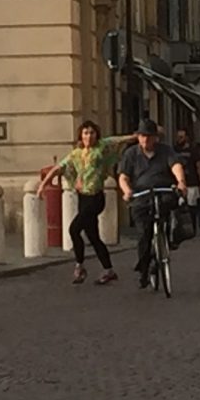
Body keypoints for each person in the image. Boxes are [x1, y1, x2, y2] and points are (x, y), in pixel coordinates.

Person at [37, 121, 136, 285]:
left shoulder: (101, 147)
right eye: (85, 133)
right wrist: (42, 185)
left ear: (96, 135)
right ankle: (108, 270)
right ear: (80, 136)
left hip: (96, 198)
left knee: (74, 229)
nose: (89, 136)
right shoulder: (76, 154)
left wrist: (138, 136)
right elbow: (58, 168)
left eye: (91, 133)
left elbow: (118, 140)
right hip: (82, 198)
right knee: (93, 236)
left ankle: (80, 266)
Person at [118, 119, 186, 288]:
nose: (145, 140)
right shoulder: (131, 154)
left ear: (156, 137)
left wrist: (181, 182)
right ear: (138, 137)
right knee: (144, 234)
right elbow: (123, 177)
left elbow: (176, 165)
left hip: (163, 192)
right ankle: (144, 268)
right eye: (142, 136)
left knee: (171, 215)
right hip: (142, 196)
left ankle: (168, 241)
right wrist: (127, 191)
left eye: (149, 136)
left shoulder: (165, 151)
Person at [174, 129, 200, 232]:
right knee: (179, 206)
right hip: (178, 183)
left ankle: (193, 227)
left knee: (192, 207)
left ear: (186, 138)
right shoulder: (174, 150)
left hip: (192, 183)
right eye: (178, 137)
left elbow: (199, 167)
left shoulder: (193, 151)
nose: (179, 139)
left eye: (181, 137)